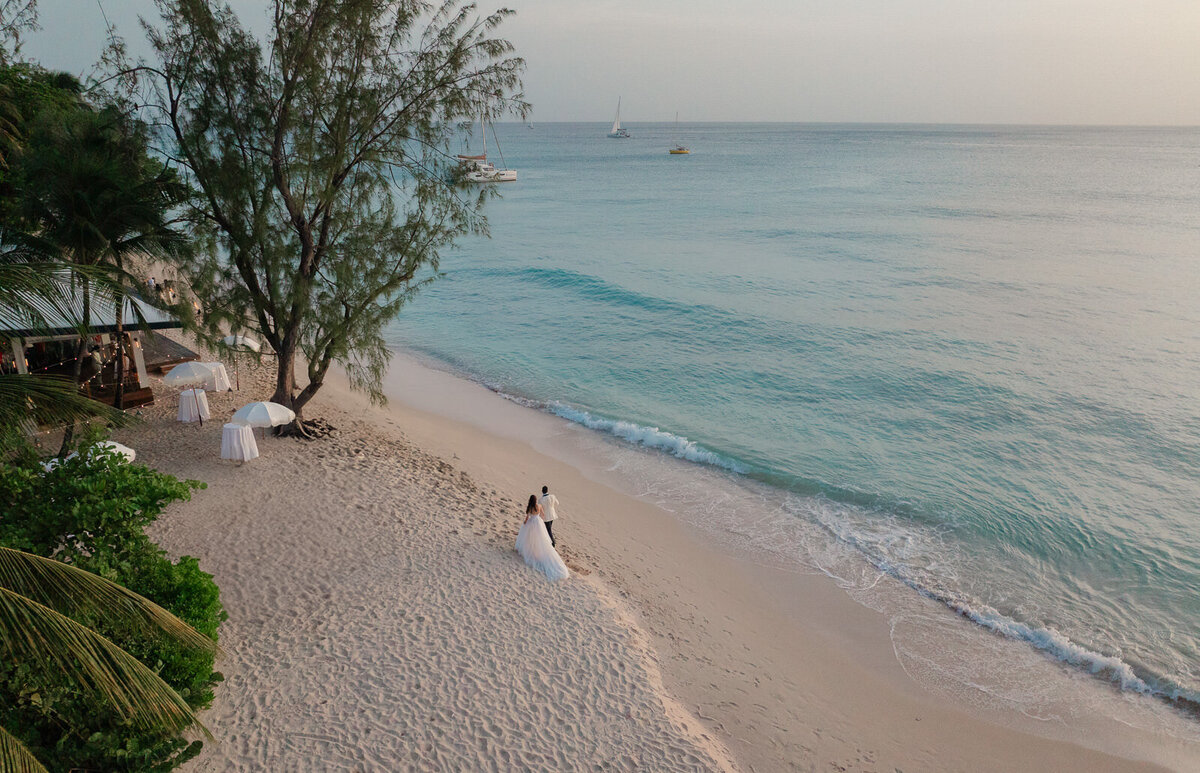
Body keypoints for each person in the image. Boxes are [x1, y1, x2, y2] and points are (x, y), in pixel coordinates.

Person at [515, 494, 569, 581]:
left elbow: (527, 518)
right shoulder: (539, 506)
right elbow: (543, 515)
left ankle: (528, 549)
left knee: (529, 537)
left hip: (531, 523)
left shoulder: (530, 508)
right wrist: (539, 518)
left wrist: (525, 523)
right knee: (540, 538)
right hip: (538, 523)